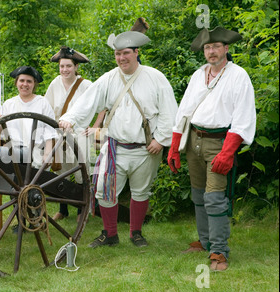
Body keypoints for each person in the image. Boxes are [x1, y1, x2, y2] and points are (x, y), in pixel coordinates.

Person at [59, 26, 178, 248]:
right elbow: (87, 102)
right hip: (114, 147)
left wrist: (160, 140)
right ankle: (110, 234)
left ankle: (136, 233)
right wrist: (70, 118)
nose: (121, 58)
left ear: (136, 52)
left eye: (126, 52)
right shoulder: (108, 79)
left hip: (145, 149)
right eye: (117, 53)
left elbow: (169, 111)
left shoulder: (156, 78)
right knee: (104, 191)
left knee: (141, 192)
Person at [167, 27, 256, 271]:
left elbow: (243, 118)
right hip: (194, 139)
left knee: (215, 198)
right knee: (198, 195)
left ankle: (219, 251)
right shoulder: (198, 75)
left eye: (216, 46)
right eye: (207, 47)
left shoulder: (239, 76)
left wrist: (228, 153)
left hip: (220, 142)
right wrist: (175, 147)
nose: (211, 51)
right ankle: (204, 241)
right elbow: (184, 111)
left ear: (226, 48)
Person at [45, 46, 99, 222]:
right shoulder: (55, 83)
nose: (65, 70)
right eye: (62, 66)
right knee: (61, 172)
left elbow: (102, 108)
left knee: (81, 173)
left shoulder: (87, 85)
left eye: (68, 66)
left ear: (76, 67)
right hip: (60, 132)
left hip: (80, 134)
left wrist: (95, 127)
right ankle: (63, 209)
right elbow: (47, 107)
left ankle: (81, 210)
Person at [1, 66, 57, 169]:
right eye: (21, 80)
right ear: (16, 82)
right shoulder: (8, 104)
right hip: (14, 152)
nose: (25, 84)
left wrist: (47, 153)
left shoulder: (42, 103)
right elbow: (2, 133)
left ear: (34, 84)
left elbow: (50, 132)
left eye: (29, 81)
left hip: (37, 152)